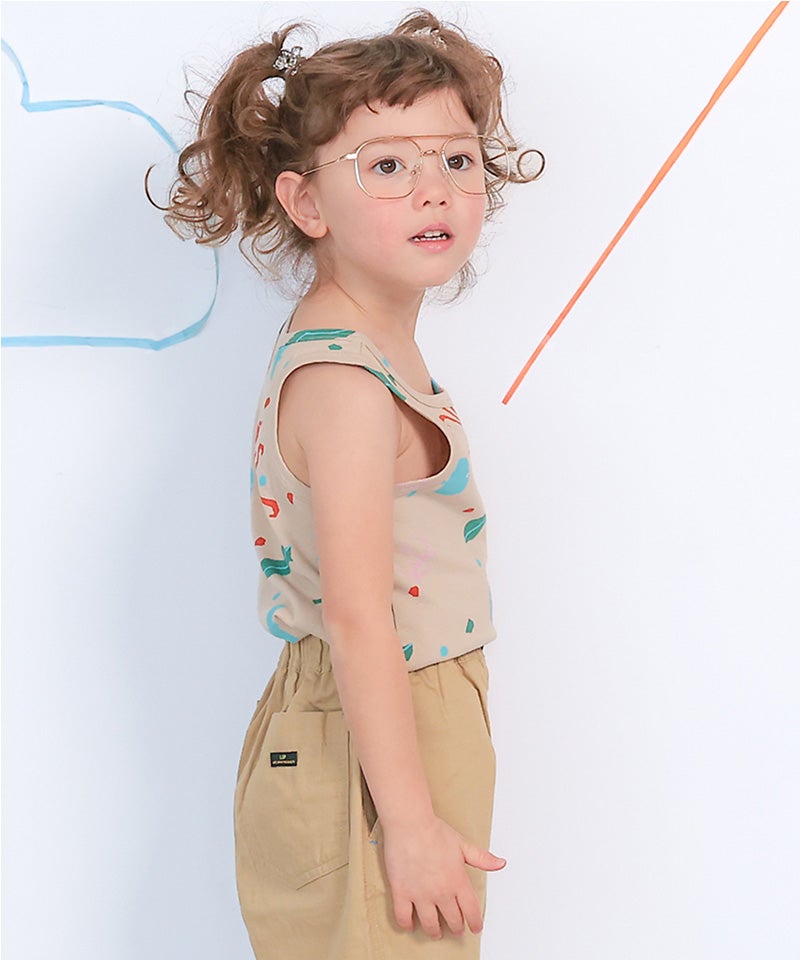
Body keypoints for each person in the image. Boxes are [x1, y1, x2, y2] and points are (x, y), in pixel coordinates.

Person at [154, 9, 544, 958]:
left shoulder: (363, 343)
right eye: (387, 166)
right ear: (307, 202)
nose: (433, 189)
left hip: (384, 721)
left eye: (456, 159)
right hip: (374, 741)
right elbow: (360, 615)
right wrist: (406, 824)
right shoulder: (348, 383)